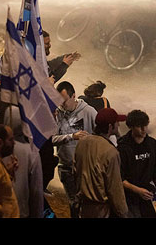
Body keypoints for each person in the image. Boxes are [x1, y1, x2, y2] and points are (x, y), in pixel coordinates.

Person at [52, 81, 97, 218]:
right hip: (66, 166)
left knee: (89, 202)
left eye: (64, 100)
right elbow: (51, 139)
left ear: (73, 96)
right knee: (74, 203)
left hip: (86, 167)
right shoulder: (56, 114)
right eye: (59, 100)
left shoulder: (89, 112)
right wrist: (71, 136)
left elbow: (103, 134)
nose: (61, 104)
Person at [74, 107, 129, 218]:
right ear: (110, 126)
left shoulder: (82, 142)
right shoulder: (111, 152)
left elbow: (75, 172)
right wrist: (123, 212)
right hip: (102, 210)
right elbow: (114, 188)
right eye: (116, 123)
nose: (118, 125)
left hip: (83, 207)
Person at [117, 109, 156, 218]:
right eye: (140, 126)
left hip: (146, 195)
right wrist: (138, 190)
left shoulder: (152, 144)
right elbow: (119, 177)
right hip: (128, 197)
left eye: (145, 125)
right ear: (131, 127)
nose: (144, 130)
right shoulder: (122, 147)